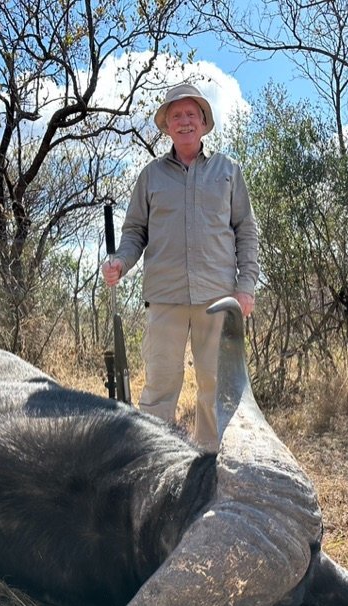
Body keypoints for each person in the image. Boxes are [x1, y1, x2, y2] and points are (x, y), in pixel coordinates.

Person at [102, 83, 259, 450]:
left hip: (219, 298)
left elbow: (246, 230)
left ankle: (211, 466)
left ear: (203, 123)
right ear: (167, 127)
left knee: (216, 388)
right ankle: (155, 462)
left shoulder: (228, 171)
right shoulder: (151, 176)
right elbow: (134, 232)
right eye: (176, 116)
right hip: (165, 298)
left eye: (191, 114)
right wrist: (120, 262)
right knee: (159, 387)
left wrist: (246, 285)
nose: (184, 122)